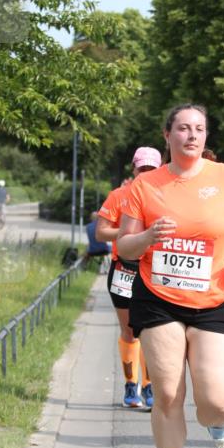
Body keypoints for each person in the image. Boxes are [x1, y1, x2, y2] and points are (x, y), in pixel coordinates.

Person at [117, 104, 224, 448]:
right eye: (183, 128)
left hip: (214, 297)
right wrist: (146, 238)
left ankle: (221, 430)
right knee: (166, 392)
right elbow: (125, 246)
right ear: (167, 135)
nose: (191, 135)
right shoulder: (144, 187)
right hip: (158, 297)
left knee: (213, 399)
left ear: (206, 136)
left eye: (199, 129)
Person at [96, 147, 163, 410]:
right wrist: (130, 232)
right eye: (142, 169)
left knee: (151, 333)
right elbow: (101, 233)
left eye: (151, 169)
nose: (145, 174)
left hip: (155, 270)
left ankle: (149, 385)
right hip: (124, 269)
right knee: (130, 331)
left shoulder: (167, 197)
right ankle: (129, 384)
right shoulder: (119, 196)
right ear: (133, 170)